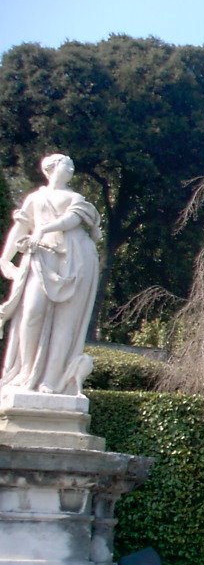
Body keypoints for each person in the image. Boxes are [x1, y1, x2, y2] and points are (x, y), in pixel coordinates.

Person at [0, 154, 101, 396]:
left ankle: (52, 380)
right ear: (51, 168)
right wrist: (5, 258)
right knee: (31, 312)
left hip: (76, 260)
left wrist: (44, 228)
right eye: (67, 163)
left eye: (73, 164)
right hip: (41, 258)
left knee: (65, 322)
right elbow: (21, 228)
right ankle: (25, 373)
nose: (72, 167)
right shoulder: (35, 199)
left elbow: (73, 219)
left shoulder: (76, 198)